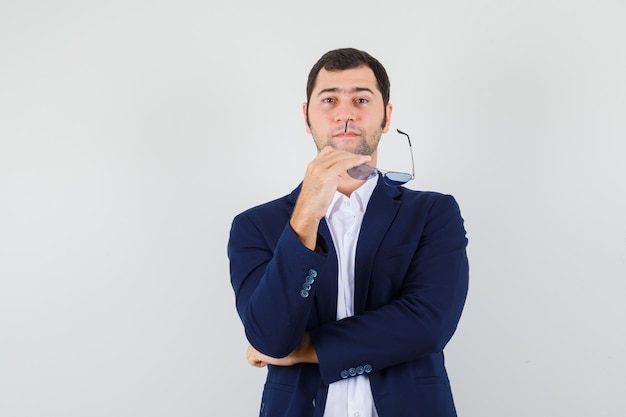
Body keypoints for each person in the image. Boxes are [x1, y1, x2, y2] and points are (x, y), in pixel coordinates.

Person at [227, 47, 469, 417]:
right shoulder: (255, 226)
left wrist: (307, 350)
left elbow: (428, 324)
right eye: (329, 99)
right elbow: (270, 337)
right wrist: (307, 210)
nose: (345, 113)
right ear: (306, 117)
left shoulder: (433, 213)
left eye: (361, 98)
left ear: (386, 117)